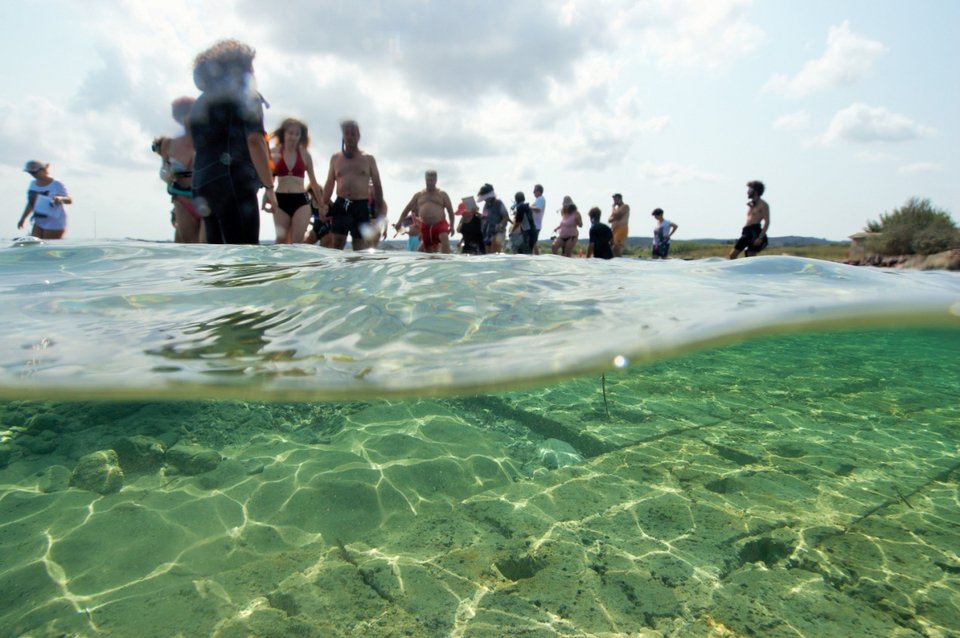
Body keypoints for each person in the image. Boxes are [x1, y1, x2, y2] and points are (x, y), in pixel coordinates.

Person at [188, 39, 277, 244]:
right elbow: (254, 140)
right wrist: (269, 187)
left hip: (202, 183)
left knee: (216, 258)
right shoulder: (247, 95)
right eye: (251, 68)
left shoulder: (201, 102)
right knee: (244, 256)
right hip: (233, 182)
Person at [320, 120, 385, 250]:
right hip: (341, 204)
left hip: (361, 206)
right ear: (343, 136)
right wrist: (323, 204)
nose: (350, 136)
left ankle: (357, 269)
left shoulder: (368, 158)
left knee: (359, 246)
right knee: (337, 243)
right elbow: (330, 182)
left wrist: (379, 207)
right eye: (347, 133)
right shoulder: (336, 158)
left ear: (359, 136)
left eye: (353, 133)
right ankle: (338, 270)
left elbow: (377, 184)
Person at [156, 97, 202, 243]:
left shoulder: (208, 141)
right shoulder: (168, 144)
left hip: (207, 198)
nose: (186, 119)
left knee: (207, 247)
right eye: (181, 114)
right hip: (181, 200)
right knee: (189, 246)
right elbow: (164, 174)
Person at [269, 118, 322, 244]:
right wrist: (267, 197)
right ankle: (280, 264)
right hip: (280, 200)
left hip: (301, 200)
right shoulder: (274, 152)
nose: (293, 137)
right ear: (284, 134)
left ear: (301, 136)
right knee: (281, 240)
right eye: (290, 133)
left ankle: (297, 263)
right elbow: (269, 179)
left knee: (297, 242)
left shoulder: (305, 155)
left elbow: (313, 182)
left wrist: (321, 204)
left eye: (297, 134)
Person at [396, 170, 455, 253]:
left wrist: (452, 226)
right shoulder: (419, 195)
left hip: (440, 223)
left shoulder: (442, 194)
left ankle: (447, 261)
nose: (430, 182)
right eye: (428, 180)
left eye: (432, 180)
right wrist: (399, 222)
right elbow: (407, 209)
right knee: (428, 251)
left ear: (436, 180)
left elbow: (450, 211)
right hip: (426, 226)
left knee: (444, 237)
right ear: (425, 179)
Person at [17, 161, 72, 239]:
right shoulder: (32, 184)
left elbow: (69, 200)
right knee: (36, 247)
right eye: (31, 173)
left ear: (43, 170)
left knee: (49, 248)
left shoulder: (56, 184)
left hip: (54, 221)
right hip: (38, 220)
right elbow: (31, 203)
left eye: (35, 173)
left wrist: (60, 199)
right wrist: (23, 218)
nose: (33, 175)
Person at [729, 181, 770, 258]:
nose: (747, 192)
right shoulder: (751, 204)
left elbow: (767, 222)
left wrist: (760, 237)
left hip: (755, 232)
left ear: (755, 191)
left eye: (749, 189)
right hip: (746, 231)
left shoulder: (763, 205)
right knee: (732, 255)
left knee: (750, 256)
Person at [477, 183, 508, 254]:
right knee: (489, 255)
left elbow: (506, 217)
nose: (485, 200)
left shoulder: (499, 203)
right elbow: (484, 217)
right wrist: (479, 215)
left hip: (498, 232)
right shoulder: (486, 205)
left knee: (495, 253)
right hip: (487, 233)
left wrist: (500, 225)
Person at [529, 184, 546, 254]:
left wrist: (529, 207)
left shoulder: (541, 199)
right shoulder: (537, 200)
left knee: (533, 243)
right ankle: (536, 257)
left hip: (536, 225)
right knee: (533, 243)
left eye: (534, 191)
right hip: (534, 225)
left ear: (539, 191)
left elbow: (538, 209)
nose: (533, 192)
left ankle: (537, 258)